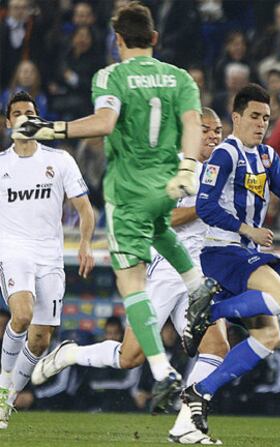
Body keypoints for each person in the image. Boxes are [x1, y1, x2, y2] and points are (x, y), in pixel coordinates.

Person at [13, 2, 220, 413]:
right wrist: (188, 167)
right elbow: (194, 124)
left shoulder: (111, 74)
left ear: (117, 40)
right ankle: (198, 286)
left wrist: (51, 129)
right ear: (155, 39)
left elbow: (105, 123)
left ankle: (163, 373)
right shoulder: (179, 77)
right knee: (162, 230)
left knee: (132, 287)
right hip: (166, 185)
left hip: (127, 193)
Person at [32, 108, 227, 445]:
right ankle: (71, 354)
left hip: (199, 273)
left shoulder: (220, 168)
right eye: (207, 130)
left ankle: (186, 424)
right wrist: (204, 207)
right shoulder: (171, 165)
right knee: (130, 357)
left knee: (217, 346)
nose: (214, 136)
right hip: (165, 269)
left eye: (219, 131)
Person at [181, 84, 280, 435]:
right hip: (223, 252)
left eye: (266, 118)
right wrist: (247, 229)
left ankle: (201, 391)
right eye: (254, 116)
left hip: (245, 254)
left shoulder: (268, 157)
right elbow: (206, 206)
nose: (261, 124)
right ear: (236, 116)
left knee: (270, 337)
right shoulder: (226, 154)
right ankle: (209, 311)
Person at [0, 91, 95, 429]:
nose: (24, 117)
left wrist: (84, 243)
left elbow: (85, 208)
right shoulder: (1, 166)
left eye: (30, 112)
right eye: (18, 113)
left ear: (38, 119)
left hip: (50, 256)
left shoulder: (61, 160)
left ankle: (8, 398)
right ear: (8, 122)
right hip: (13, 250)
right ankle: (1, 387)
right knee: (22, 315)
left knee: (41, 339)